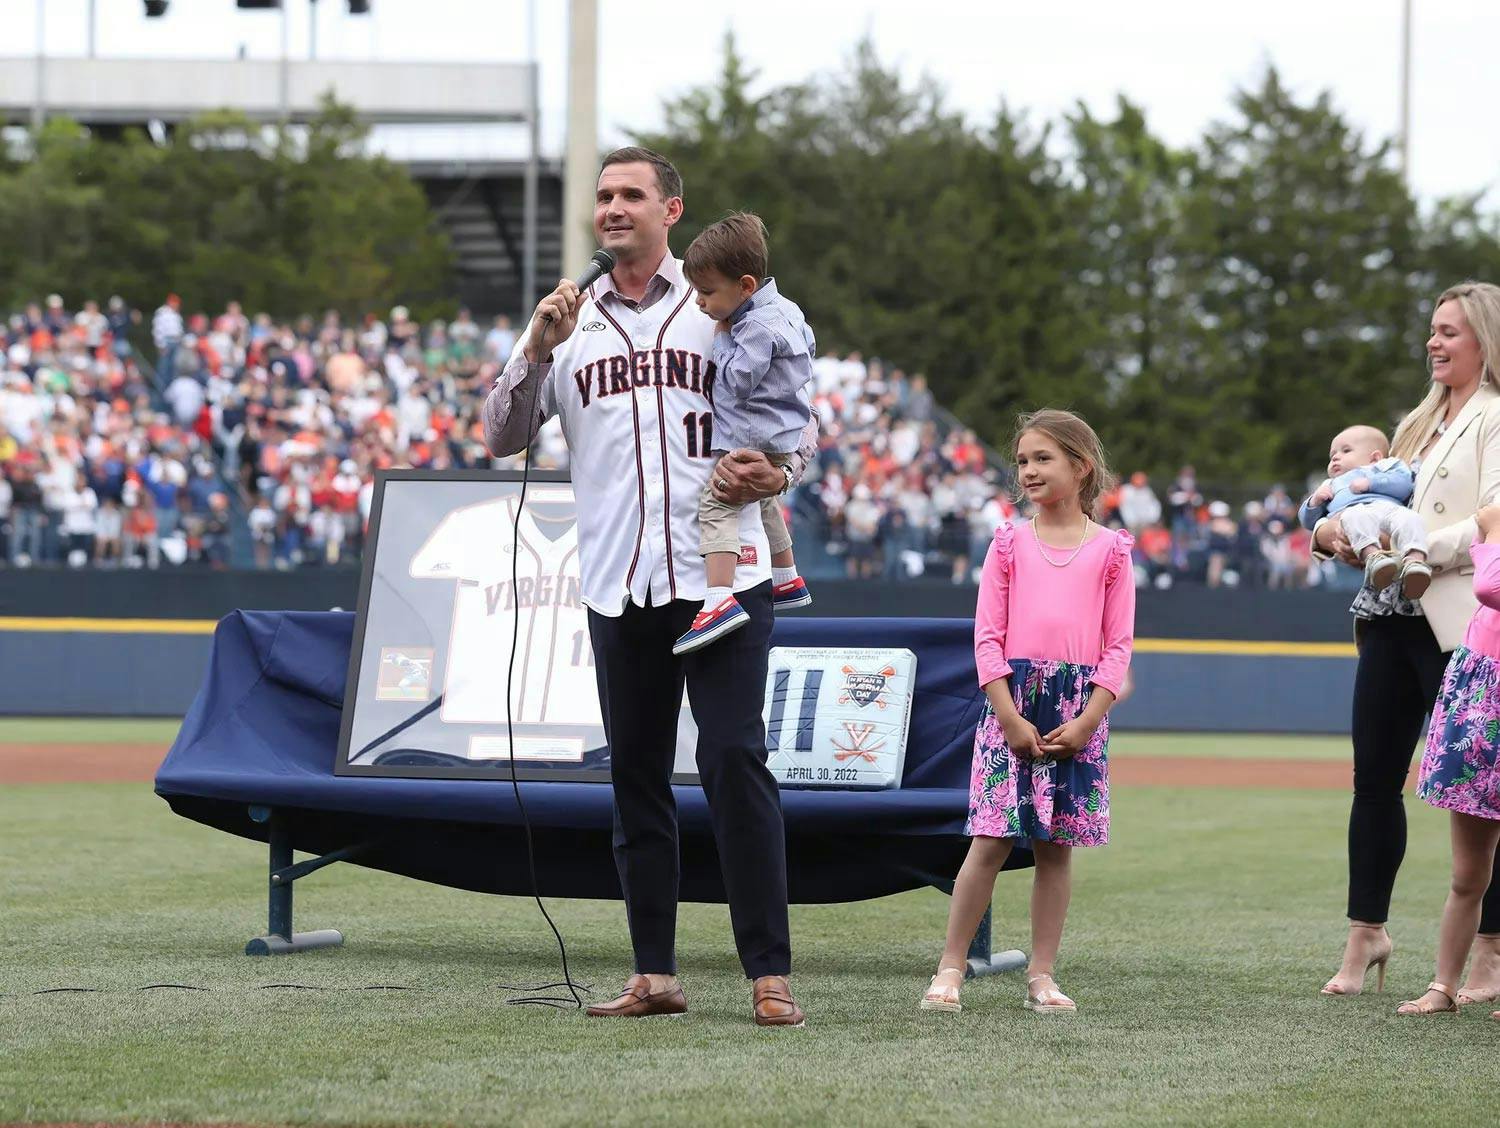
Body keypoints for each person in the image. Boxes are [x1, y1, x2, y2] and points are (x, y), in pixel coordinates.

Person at [483, 147, 816, 1027]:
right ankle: (654, 973)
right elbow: (500, 435)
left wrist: (780, 475)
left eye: (631, 194)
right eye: (603, 196)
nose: (613, 208)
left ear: (672, 209)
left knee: (735, 760)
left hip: (722, 574)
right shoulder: (571, 320)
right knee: (635, 777)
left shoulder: (720, 303)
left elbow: (799, 420)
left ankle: (768, 972)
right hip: (616, 579)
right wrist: (533, 346)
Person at [1313, 281, 1500, 999]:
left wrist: (1415, 547)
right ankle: (1367, 933)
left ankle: (1489, 947)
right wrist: (1334, 534)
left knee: (1482, 798)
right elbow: (1361, 501)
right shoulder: (1415, 423)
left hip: (1462, 628)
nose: (1435, 341)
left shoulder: (1491, 417)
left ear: (1484, 339)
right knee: (1373, 782)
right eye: (1432, 329)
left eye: (1450, 331)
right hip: (1389, 617)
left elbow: (1491, 519)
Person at [920, 409, 1135, 1014]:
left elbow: (1117, 647)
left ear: (1081, 466)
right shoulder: (1009, 543)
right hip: (1011, 706)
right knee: (988, 842)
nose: (1029, 471)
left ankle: (1042, 974)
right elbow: (988, 637)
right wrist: (1009, 716)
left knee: (1055, 848)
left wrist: (1090, 718)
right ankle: (951, 967)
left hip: (1077, 711)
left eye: (1043, 458)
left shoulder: (1113, 551)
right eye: (1022, 461)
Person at [671, 212, 814, 655]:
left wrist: (721, 338)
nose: (699, 303)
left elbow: (737, 380)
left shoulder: (749, 327)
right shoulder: (787, 308)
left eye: (708, 293)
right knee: (764, 498)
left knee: (717, 502)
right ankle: (787, 575)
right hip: (780, 436)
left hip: (752, 435)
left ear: (746, 286)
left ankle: (718, 598)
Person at [1397, 503, 1500, 1018]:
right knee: (1467, 873)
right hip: (1482, 693)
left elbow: (1491, 589)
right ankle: (1444, 987)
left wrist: (1494, 528)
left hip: (1487, 694)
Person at [1297, 424, 1430, 597]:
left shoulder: (1387, 467)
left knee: (1410, 519)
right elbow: (1307, 521)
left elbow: (1404, 485)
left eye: (1345, 451)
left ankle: (1416, 561)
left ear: (1374, 458)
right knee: (1354, 516)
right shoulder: (1330, 484)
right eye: (1332, 456)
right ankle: (1374, 559)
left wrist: (1371, 483)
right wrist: (1314, 502)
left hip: (1389, 509)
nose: (1336, 457)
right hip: (1353, 513)